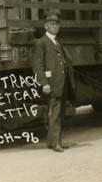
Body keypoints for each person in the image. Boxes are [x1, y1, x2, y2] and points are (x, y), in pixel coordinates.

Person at [31, 11, 75, 152]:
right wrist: (44, 83)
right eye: (51, 24)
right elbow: (38, 66)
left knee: (59, 114)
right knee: (54, 114)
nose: (54, 26)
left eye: (56, 24)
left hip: (61, 83)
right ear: (45, 26)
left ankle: (54, 142)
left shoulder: (57, 42)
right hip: (52, 84)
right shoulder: (41, 43)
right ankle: (56, 143)